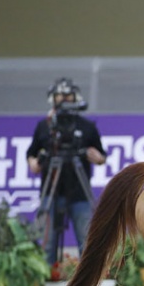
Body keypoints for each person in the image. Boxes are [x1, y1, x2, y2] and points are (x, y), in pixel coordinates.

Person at [26, 77, 107, 265]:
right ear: (52, 99)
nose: (64, 100)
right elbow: (31, 154)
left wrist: (98, 157)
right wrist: (33, 162)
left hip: (79, 193)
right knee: (48, 242)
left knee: (86, 239)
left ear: (75, 98)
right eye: (59, 95)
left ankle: (89, 283)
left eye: (68, 95)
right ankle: (46, 282)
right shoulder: (44, 126)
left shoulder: (87, 127)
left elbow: (102, 156)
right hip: (51, 193)